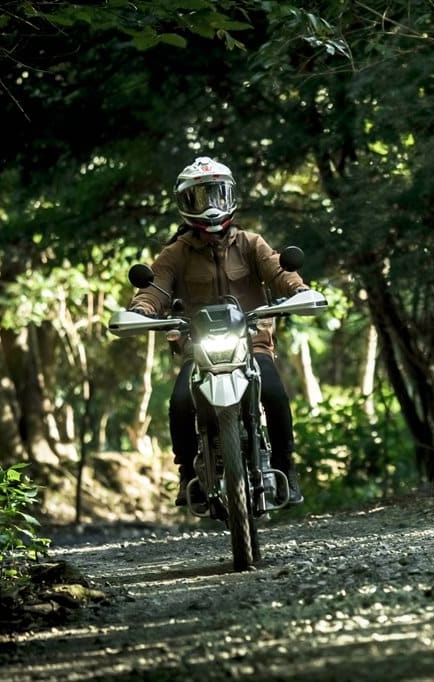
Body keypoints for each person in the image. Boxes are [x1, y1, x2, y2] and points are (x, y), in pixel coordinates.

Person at [127, 156, 308, 507]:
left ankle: (287, 467)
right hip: (200, 349)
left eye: (217, 194)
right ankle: (187, 474)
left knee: (274, 393)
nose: (210, 205)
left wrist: (298, 289)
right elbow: (154, 289)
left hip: (251, 343)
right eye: (199, 197)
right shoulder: (175, 254)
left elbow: (278, 271)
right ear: (184, 203)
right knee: (181, 402)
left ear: (231, 196)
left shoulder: (251, 243)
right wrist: (141, 309)